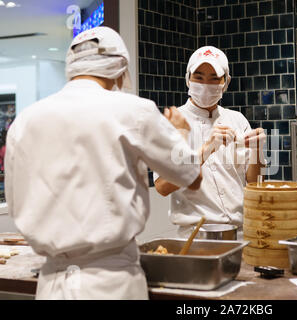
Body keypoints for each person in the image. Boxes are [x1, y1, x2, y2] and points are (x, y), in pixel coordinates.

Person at [4, 27, 202, 300]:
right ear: (121, 69)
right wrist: (180, 133)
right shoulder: (134, 110)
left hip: (50, 284)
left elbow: (16, 203)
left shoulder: (24, 122)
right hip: (111, 283)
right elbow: (191, 176)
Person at [154, 46, 267, 238]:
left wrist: (257, 151)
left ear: (226, 82)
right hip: (196, 236)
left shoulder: (237, 120)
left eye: (214, 78)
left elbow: (255, 184)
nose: (206, 84)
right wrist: (205, 150)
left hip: (240, 233)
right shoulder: (174, 121)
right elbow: (162, 187)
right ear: (188, 79)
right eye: (199, 77)